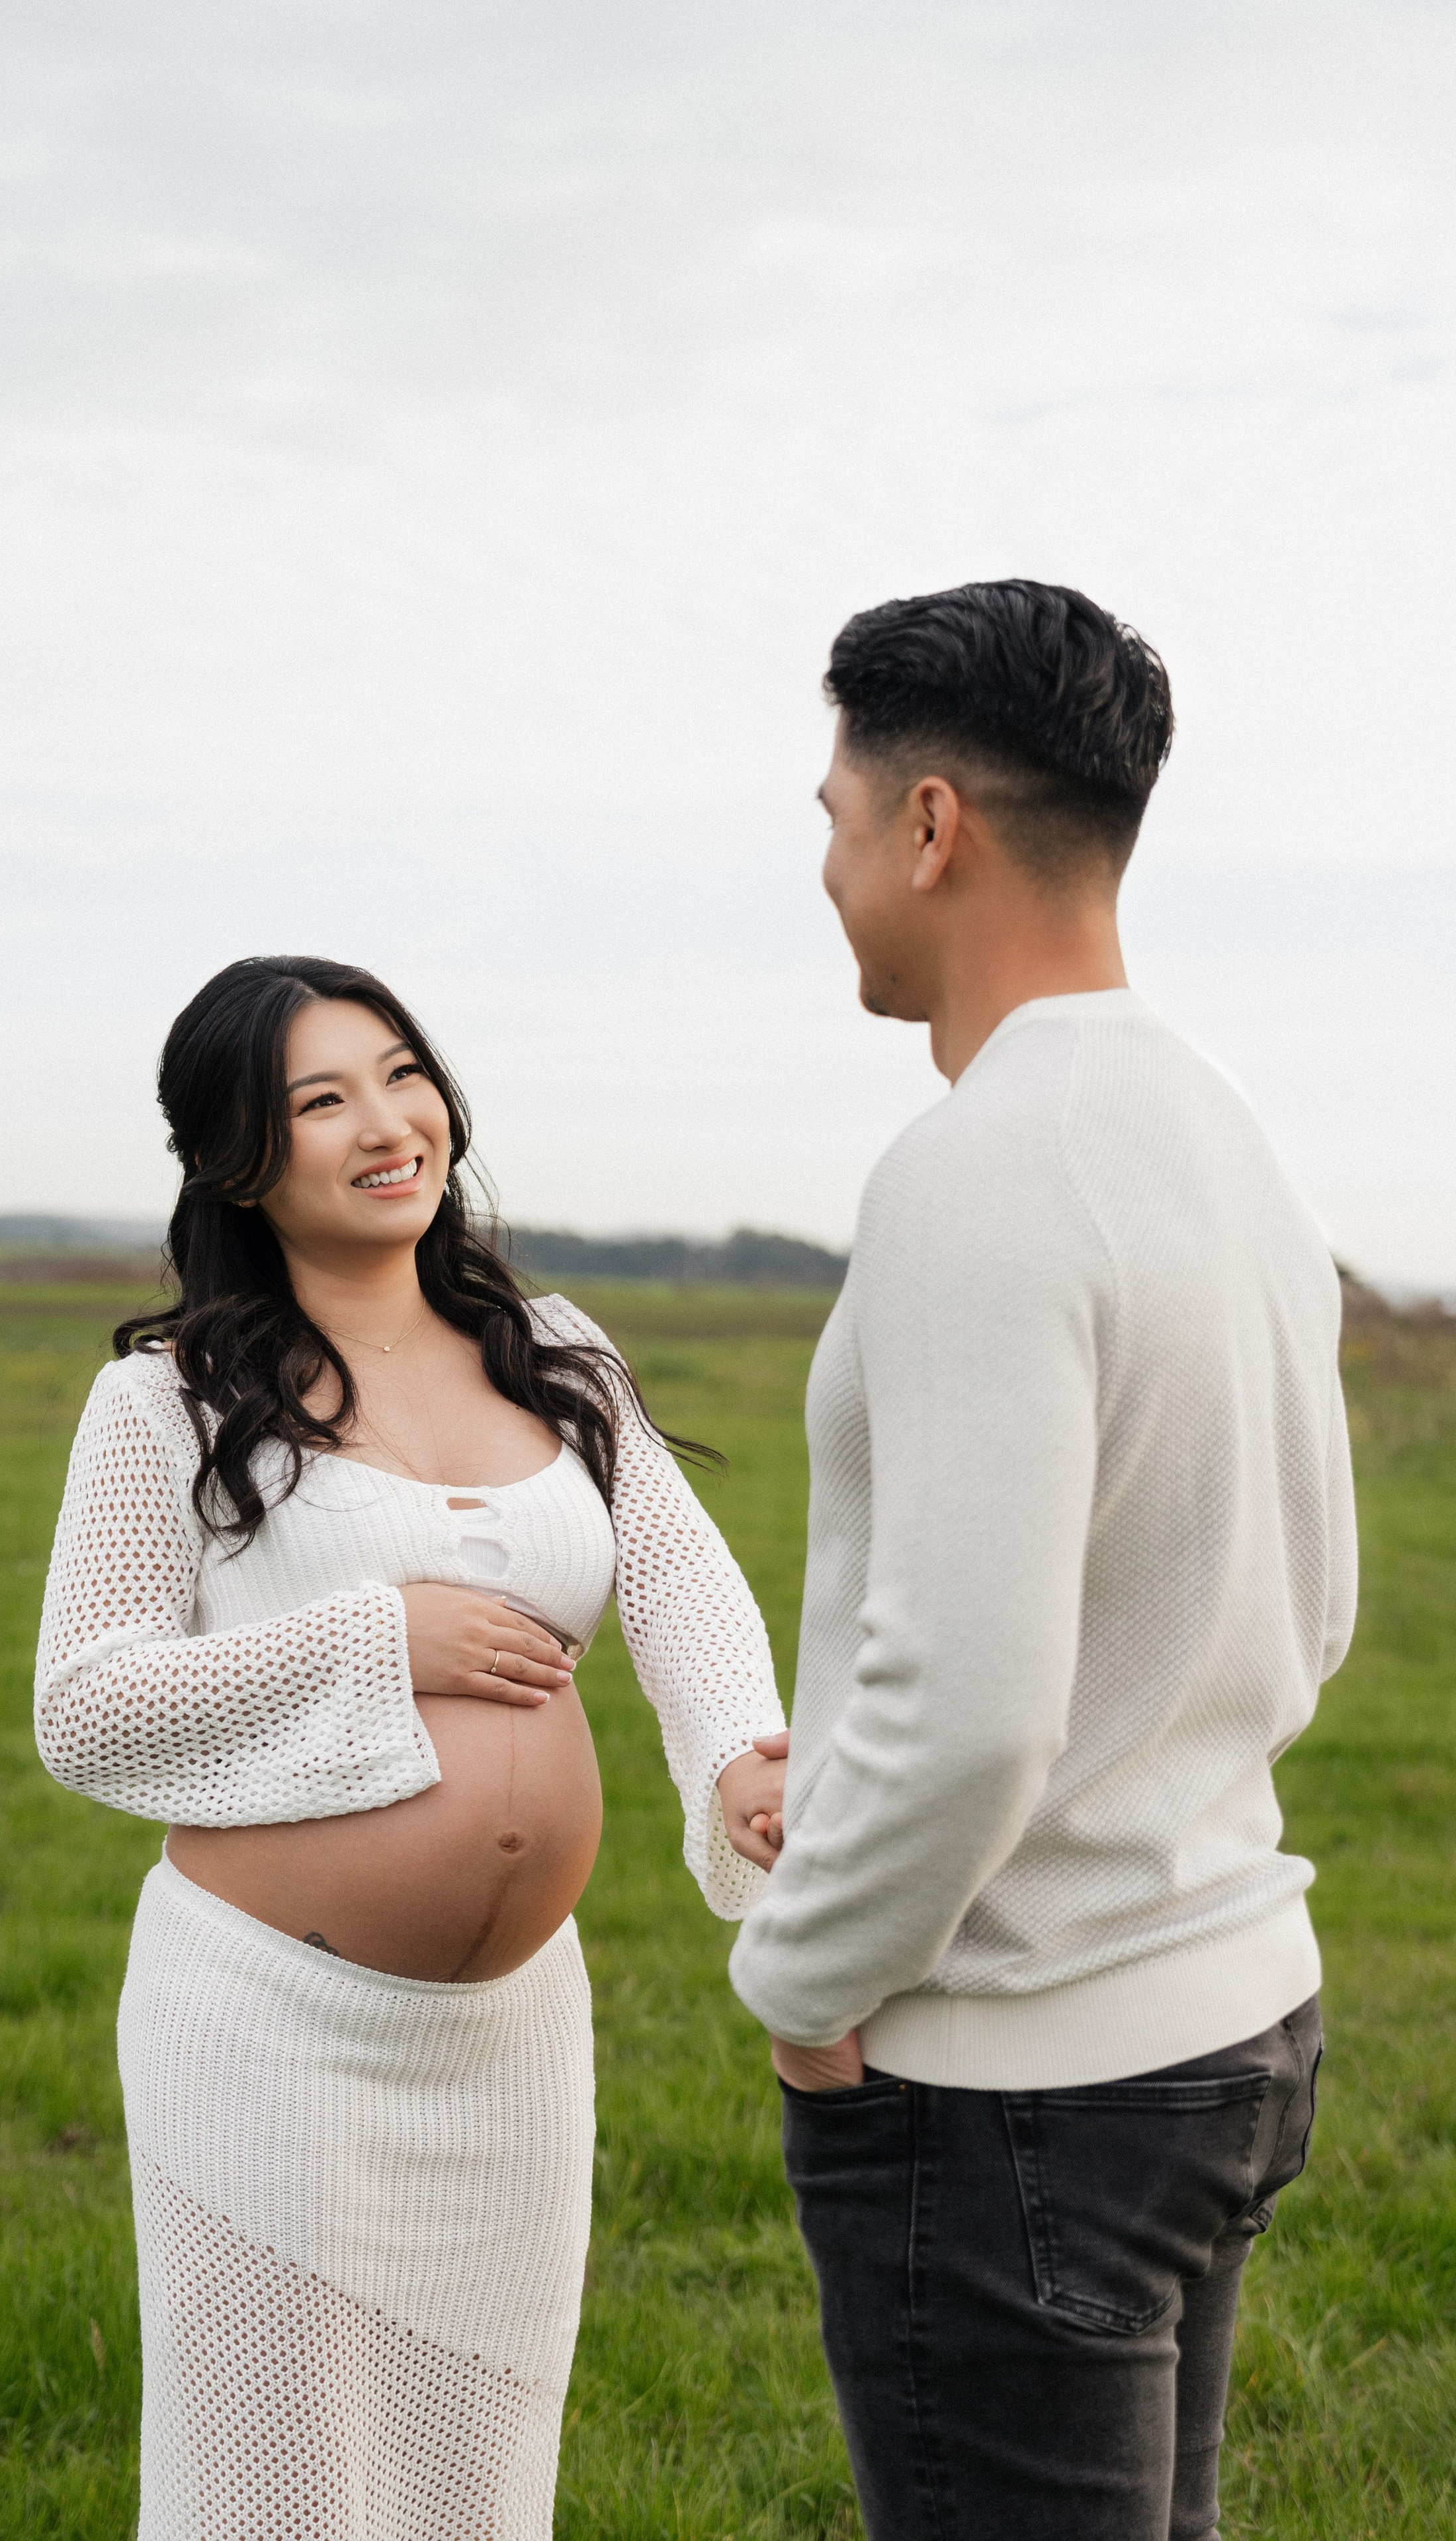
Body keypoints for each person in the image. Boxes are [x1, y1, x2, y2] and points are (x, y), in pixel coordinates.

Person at [729, 580, 1357, 2541]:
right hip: (1224, 2023)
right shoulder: (1222, 1127)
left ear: (931, 825)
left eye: (834, 821)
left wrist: (809, 1991)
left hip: (1019, 2090)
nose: (827, 872)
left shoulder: (979, 1167)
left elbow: (972, 1707)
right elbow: (1305, 1604)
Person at [34, 954, 788, 2540]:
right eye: (322, 1100)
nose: (387, 1124)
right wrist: (384, 1639)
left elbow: (677, 1576)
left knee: (480, 2479)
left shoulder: (553, 1347)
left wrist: (738, 1754)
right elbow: (84, 1705)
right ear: (240, 1157)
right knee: (273, 2489)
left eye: (400, 1073)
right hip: (265, 2032)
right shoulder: (166, 1400)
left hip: (510, 2045)